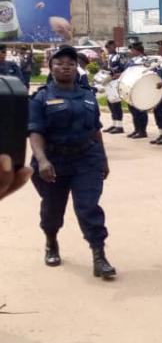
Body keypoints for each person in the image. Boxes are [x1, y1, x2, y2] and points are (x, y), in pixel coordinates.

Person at [27, 45, 116, 278]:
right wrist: (43, 160)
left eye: (70, 63)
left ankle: (99, 256)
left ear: (76, 68)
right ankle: (51, 241)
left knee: (88, 207)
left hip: (86, 158)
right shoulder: (41, 98)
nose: (65, 67)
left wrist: (103, 158)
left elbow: (95, 130)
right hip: (53, 161)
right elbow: (35, 132)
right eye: (59, 63)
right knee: (53, 209)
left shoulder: (88, 96)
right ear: (51, 67)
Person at [125, 42, 149, 139]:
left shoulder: (144, 60)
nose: (131, 52)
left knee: (140, 110)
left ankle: (142, 131)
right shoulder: (132, 60)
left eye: (133, 50)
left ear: (138, 51)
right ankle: (137, 129)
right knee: (133, 109)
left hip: (140, 87)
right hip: (131, 86)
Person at [102, 40, 126, 134]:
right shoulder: (108, 57)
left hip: (116, 81)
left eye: (109, 47)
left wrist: (118, 74)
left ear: (113, 46)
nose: (108, 49)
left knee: (116, 103)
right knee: (110, 103)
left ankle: (119, 126)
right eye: (107, 47)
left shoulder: (120, 56)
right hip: (109, 81)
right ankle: (114, 123)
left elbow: (124, 68)